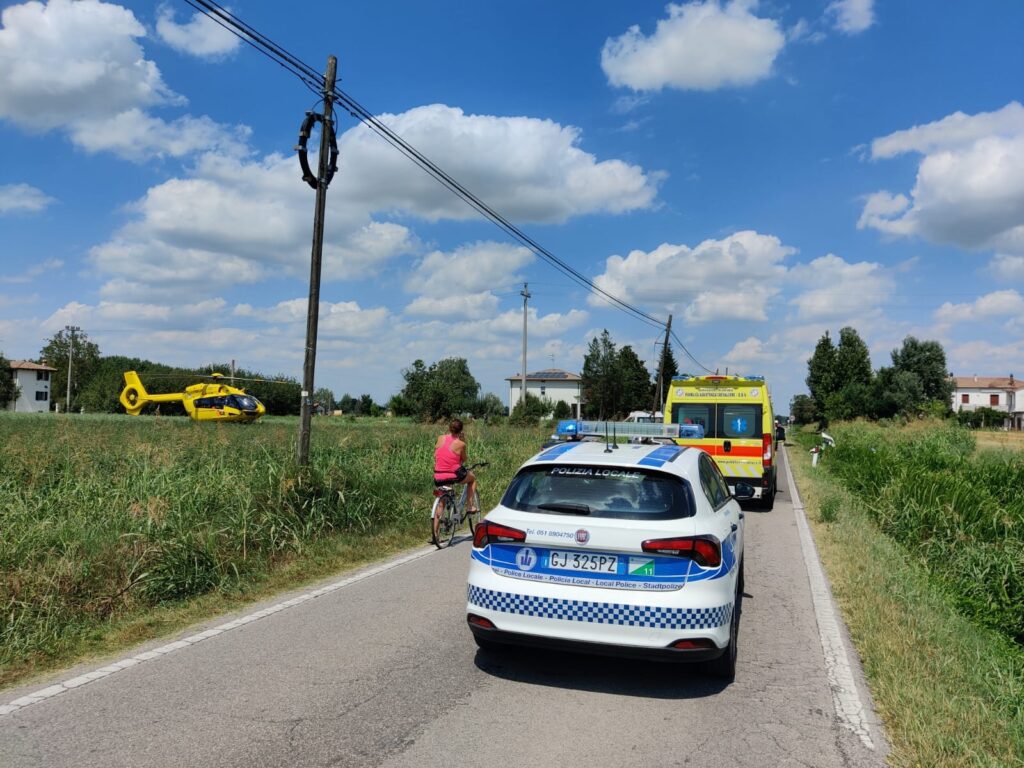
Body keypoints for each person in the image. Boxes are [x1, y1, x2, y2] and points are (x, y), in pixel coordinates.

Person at [433, 419, 479, 539]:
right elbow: (464, 459)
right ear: (461, 430)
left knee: (441, 503)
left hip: (438, 475)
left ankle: (435, 535)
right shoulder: (461, 444)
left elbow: (435, 454)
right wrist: (461, 442)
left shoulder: (440, 438)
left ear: (449, 428)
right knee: (472, 479)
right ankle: (470, 506)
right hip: (453, 475)